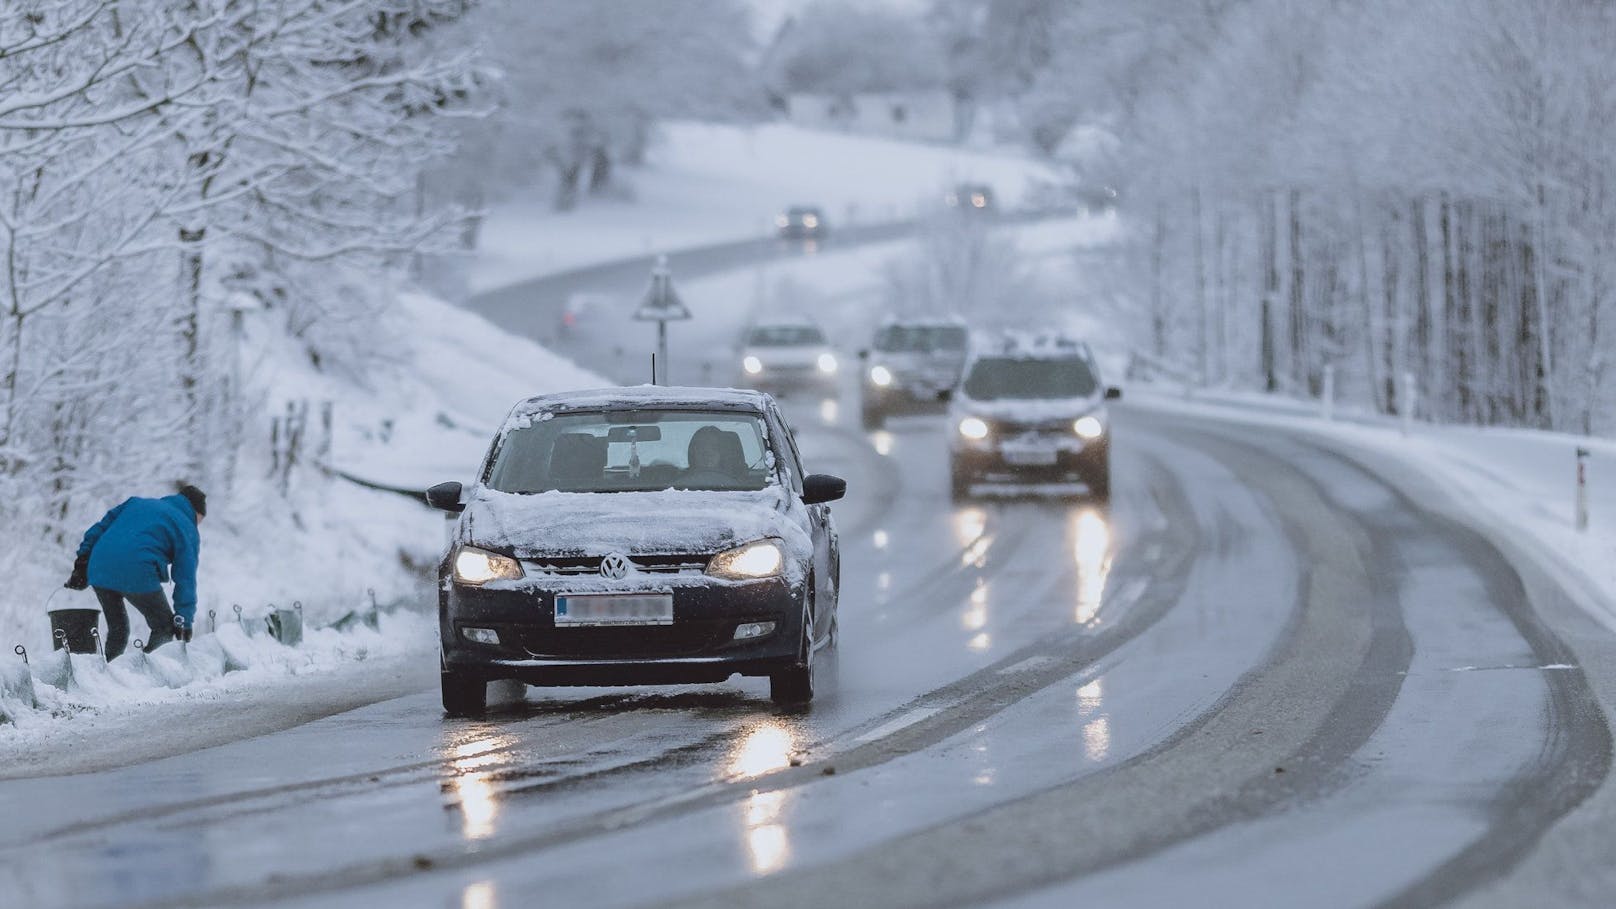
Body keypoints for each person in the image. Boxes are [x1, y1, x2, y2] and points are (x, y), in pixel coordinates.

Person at [65, 485, 205, 660]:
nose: (198, 525)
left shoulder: (136, 504)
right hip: (137, 570)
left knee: (118, 629)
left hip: (99, 566)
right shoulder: (186, 525)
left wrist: (82, 562)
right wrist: (184, 620)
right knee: (164, 626)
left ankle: (107, 673)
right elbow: (185, 576)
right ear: (196, 512)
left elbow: (97, 529)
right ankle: (146, 675)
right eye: (200, 520)